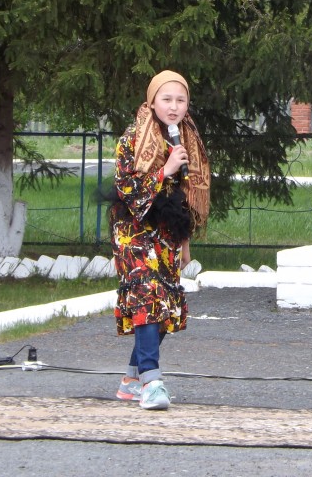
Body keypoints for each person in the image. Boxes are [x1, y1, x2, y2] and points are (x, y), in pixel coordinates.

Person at [107, 70, 210, 411]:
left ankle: (131, 380)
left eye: (181, 100)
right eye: (167, 99)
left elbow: (186, 196)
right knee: (147, 296)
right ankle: (152, 382)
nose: (174, 106)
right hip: (133, 230)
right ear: (152, 102)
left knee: (164, 306)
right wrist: (164, 170)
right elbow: (126, 188)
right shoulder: (132, 138)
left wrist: (185, 242)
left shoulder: (186, 140)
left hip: (167, 232)